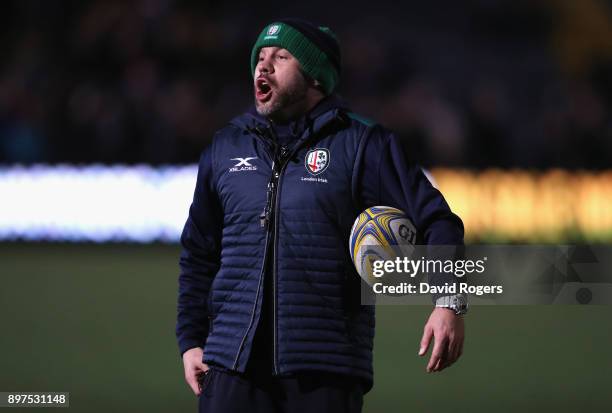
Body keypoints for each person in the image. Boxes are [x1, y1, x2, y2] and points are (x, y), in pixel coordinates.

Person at [176, 18, 466, 413]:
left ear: (314, 76)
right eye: (260, 57)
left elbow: (438, 221)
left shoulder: (364, 145)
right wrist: (191, 340)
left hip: (324, 372)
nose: (263, 66)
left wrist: (448, 301)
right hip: (229, 367)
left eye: (281, 57)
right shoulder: (226, 146)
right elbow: (198, 251)